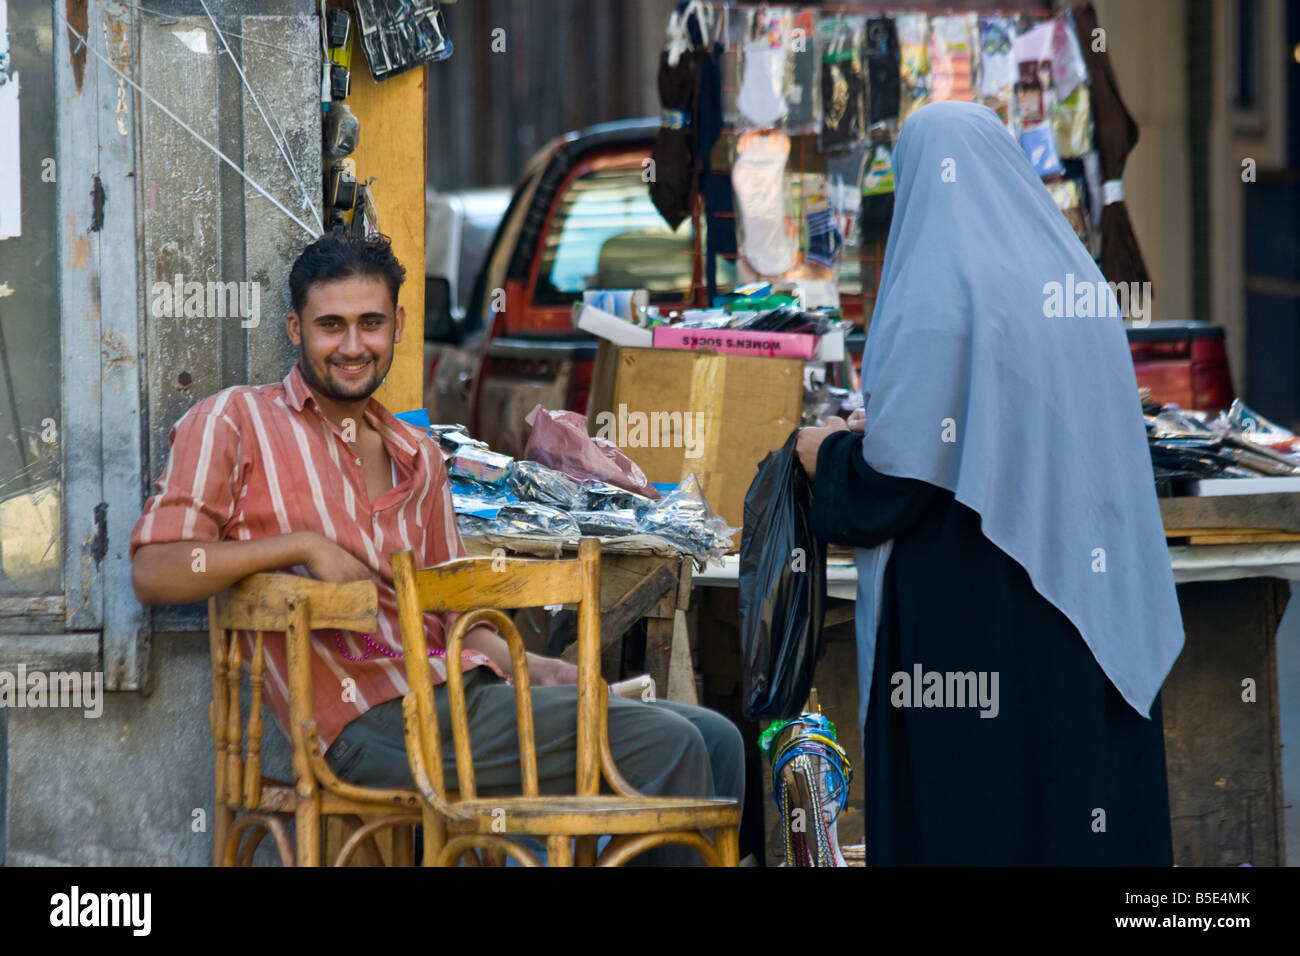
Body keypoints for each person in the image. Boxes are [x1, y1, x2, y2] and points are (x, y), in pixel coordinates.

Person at [130, 231, 743, 865]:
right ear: (295, 329)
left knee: (717, 738)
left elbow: (449, 620)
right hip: (367, 725)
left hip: (460, 697)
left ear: (396, 325)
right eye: (330, 325)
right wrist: (302, 545)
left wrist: (535, 669)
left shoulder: (416, 455)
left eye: (370, 323)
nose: (351, 345)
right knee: (667, 743)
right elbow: (156, 569)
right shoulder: (236, 420)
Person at [795, 101, 1182, 865]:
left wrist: (823, 455)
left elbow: (897, 483)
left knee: (988, 814)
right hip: (1080, 607)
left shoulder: (936, 293)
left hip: (972, 619)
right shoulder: (1075, 284)